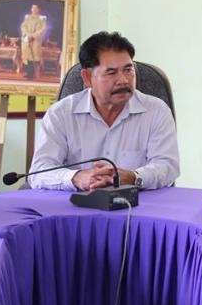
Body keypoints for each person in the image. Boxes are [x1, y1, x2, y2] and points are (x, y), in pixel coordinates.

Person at [29, 31, 179, 191]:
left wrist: (133, 177)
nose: (123, 80)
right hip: (77, 202)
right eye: (111, 73)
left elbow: (168, 166)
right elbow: (39, 171)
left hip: (138, 202)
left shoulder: (156, 111)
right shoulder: (61, 114)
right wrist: (76, 177)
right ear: (87, 78)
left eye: (128, 70)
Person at [21, 4, 47, 79]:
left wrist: (33, 35)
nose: (34, 10)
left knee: (34, 57)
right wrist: (28, 34)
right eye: (33, 8)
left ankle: (32, 74)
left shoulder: (41, 19)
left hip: (36, 40)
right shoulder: (28, 18)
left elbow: (42, 29)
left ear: (39, 10)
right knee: (27, 56)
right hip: (27, 39)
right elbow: (23, 26)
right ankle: (28, 73)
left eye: (36, 8)